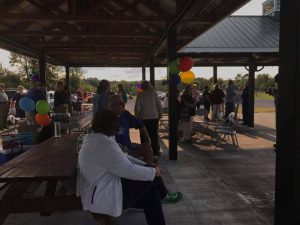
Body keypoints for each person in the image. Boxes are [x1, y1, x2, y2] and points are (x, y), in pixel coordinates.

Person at [77, 110, 168, 225]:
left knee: (152, 194)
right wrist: (152, 172)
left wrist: (146, 165)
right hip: (103, 193)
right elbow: (127, 170)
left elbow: (122, 157)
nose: (118, 128)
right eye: (116, 125)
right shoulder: (102, 144)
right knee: (154, 180)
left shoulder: (98, 138)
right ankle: (165, 194)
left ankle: (161, 197)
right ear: (109, 125)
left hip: (104, 185)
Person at [108, 94, 153, 163]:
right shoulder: (106, 118)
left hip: (128, 147)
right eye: (120, 103)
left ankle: (151, 170)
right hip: (115, 150)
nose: (123, 105)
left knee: (148, 149)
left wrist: (147, 139)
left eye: (123, 103)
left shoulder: (125, 114)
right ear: (111, 106)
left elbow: (140, 124)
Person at [134, 81, 162, 157]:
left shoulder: (140, 94)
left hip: (143, 117)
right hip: (154, 116)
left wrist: (136, 117)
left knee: (144, 136)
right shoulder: (154, 93)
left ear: (142, 87)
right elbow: (159, 105)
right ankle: (155, 153)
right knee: (154, 135)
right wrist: (160, 114)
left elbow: (137, 107)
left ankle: (146, 152)